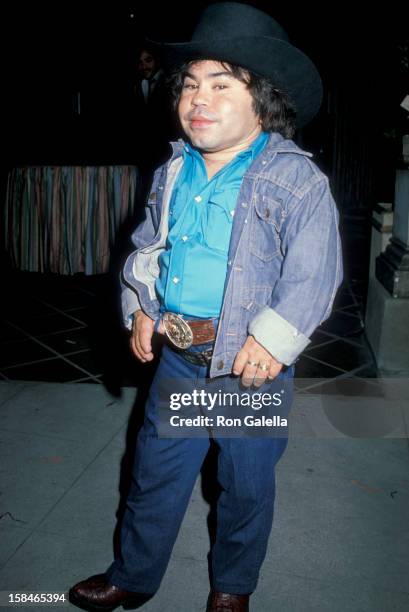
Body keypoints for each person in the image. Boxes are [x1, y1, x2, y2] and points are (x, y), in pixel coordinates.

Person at [69, 3, 343, 611]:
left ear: (264, 100)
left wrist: (271, 341)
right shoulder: (174, 169)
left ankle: (232, 587)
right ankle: (133, 574)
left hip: (251, 370)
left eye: (222, 85)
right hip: (180, 357)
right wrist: (142, 304)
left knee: (244, 485)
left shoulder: (295, 180)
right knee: (154, 473)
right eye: (191, 84)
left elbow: (313, 272)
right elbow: (150, 245)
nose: (199, 98)